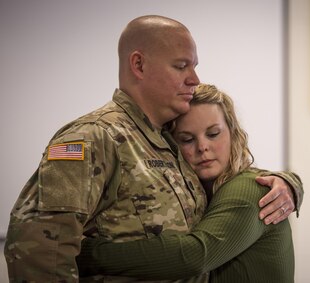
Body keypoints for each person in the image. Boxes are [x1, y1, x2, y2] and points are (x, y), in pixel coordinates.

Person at [4, 15, 303, 282]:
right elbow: (40, 249)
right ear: (139, 65)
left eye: (194, 66)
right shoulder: (93, 137)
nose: (194, 79)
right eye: (181, 66)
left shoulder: (162, 140)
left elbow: (227, 201)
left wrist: (289, 182)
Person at [77, 84, 296, 282]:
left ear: (233, 134)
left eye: (213, 134)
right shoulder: (198, 196)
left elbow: (195, 256)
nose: (202, 147)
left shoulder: (251, 188)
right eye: (187, 139)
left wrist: (86, 254)